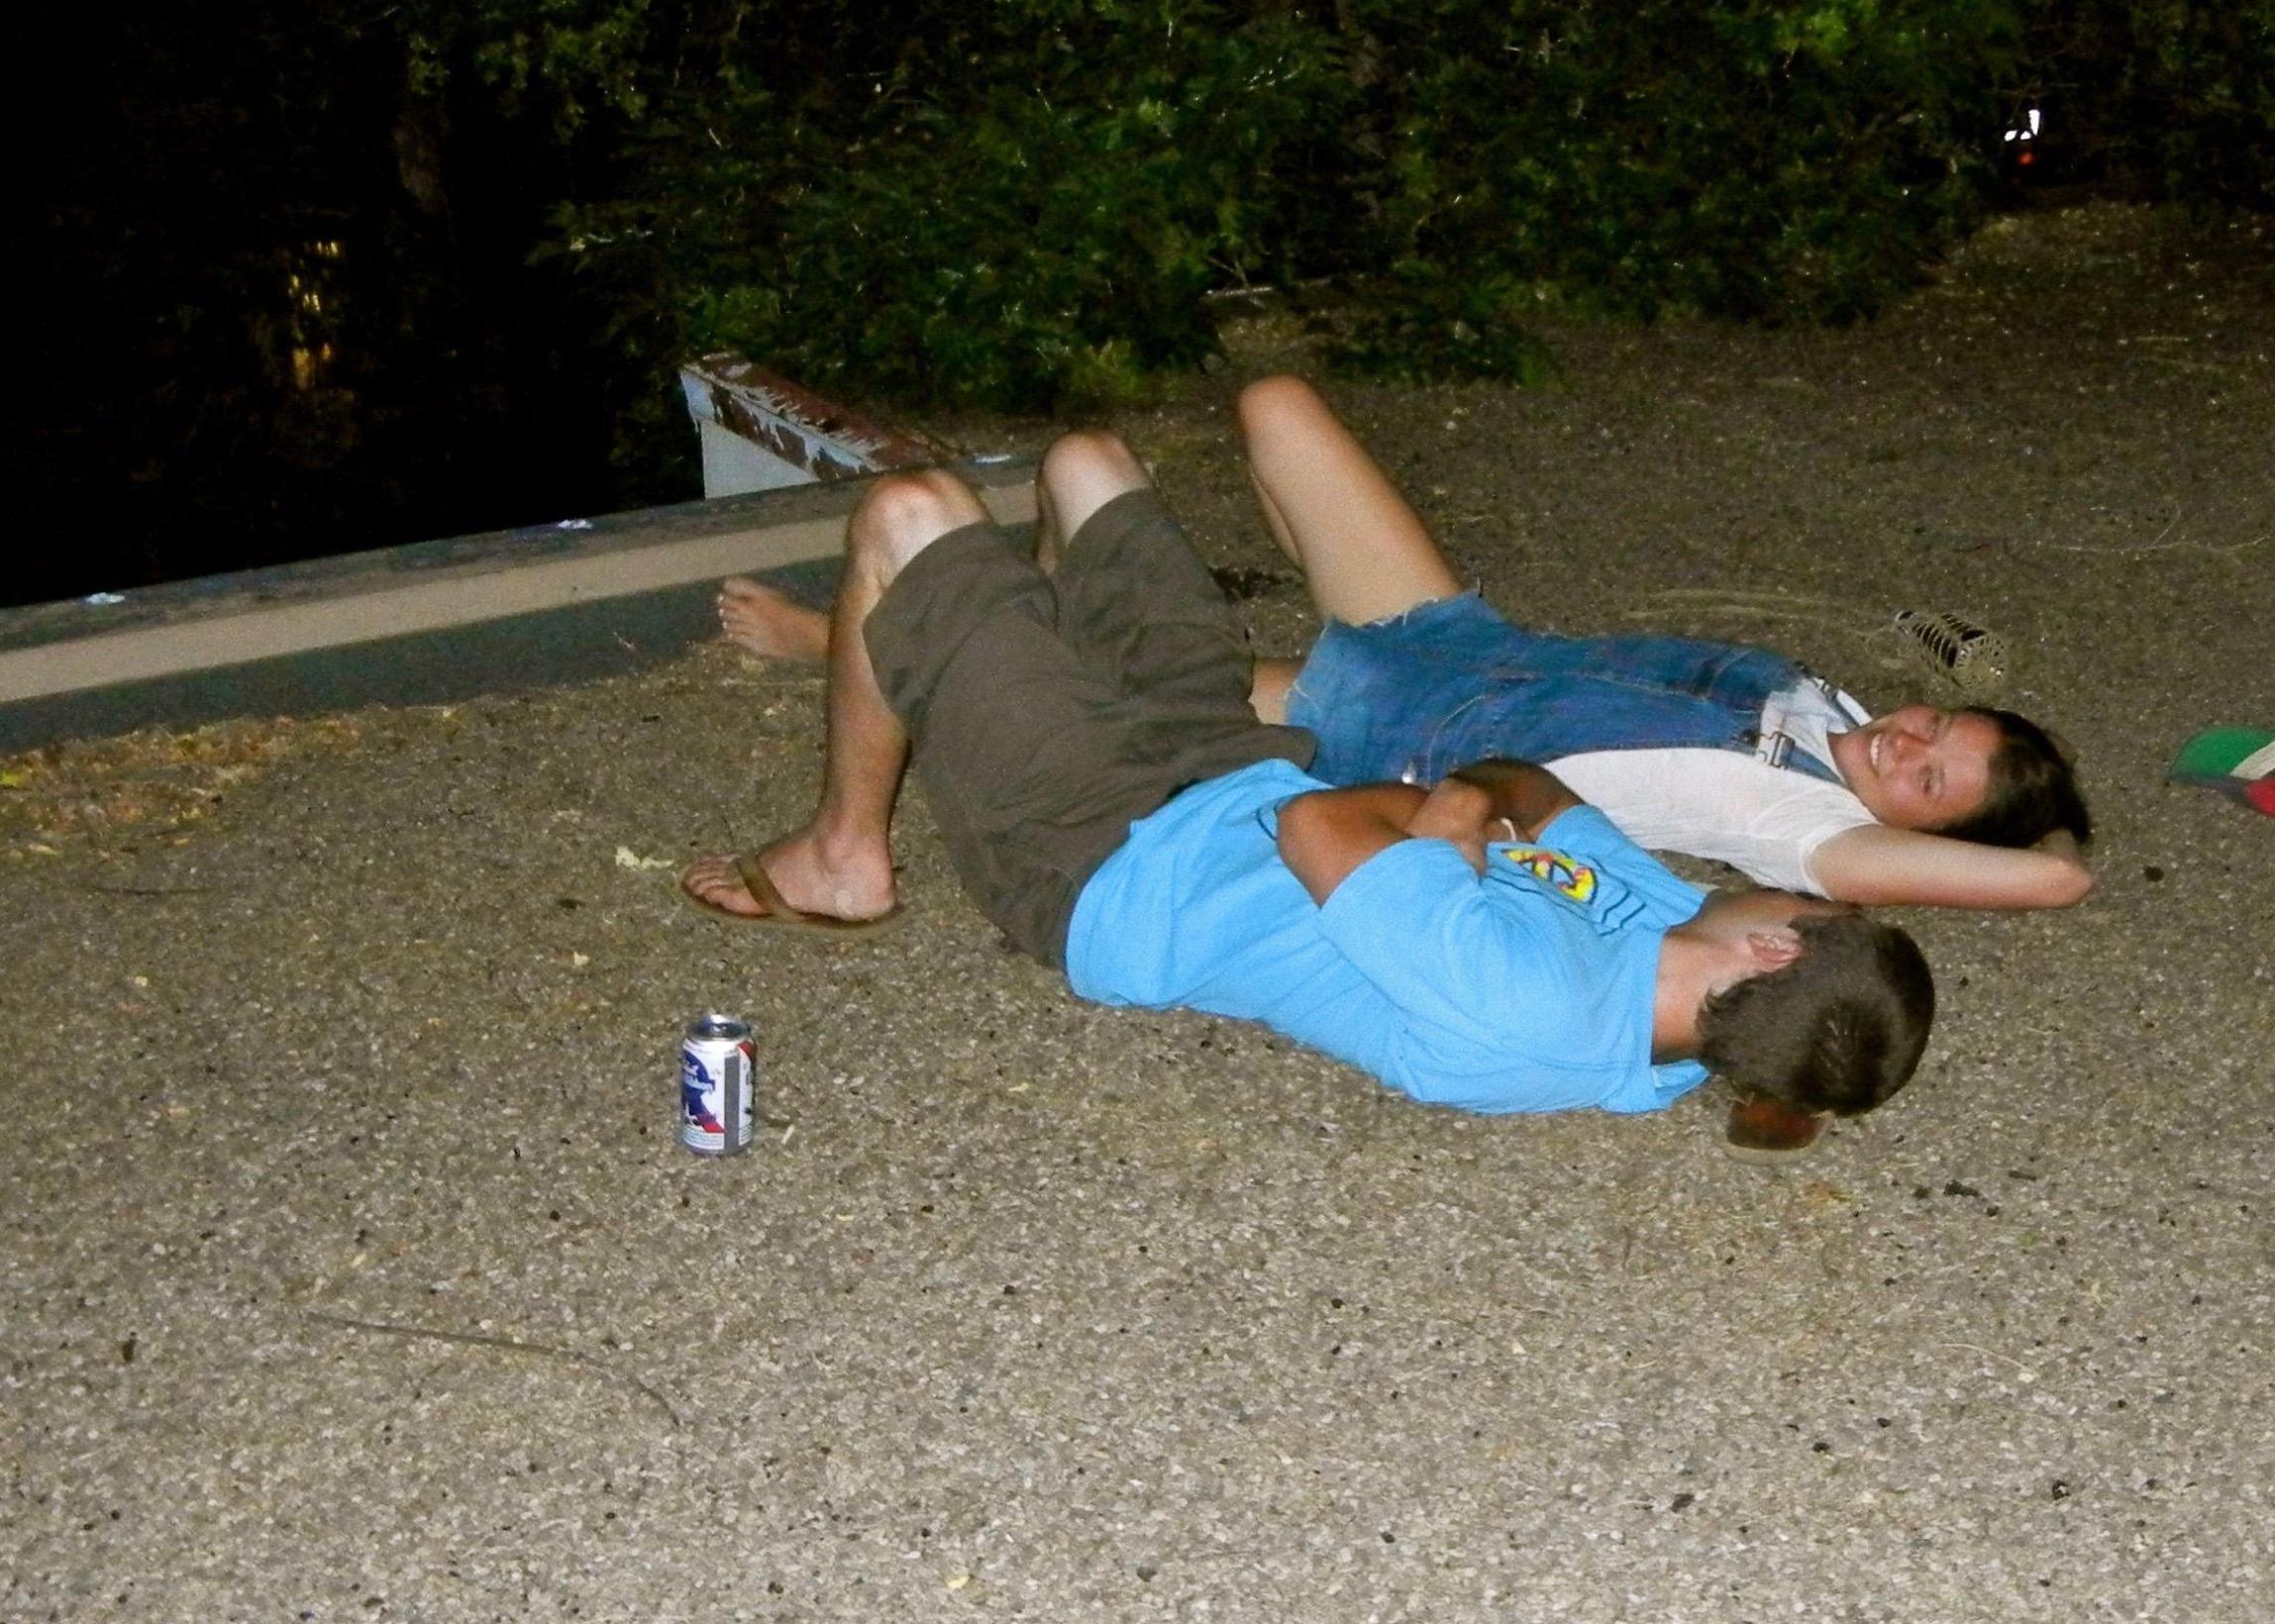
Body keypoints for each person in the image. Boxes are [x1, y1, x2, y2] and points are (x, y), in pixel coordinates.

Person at [681, 433, 1935, 1145]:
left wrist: (1456, 814)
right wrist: (1453, 813)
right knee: (1085, 463)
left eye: (1804, 905)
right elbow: (1515, 779)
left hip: (1110, 868)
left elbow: (1323, 821)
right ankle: (985, 654)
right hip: (1218, 761)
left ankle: (842, 858)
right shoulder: (1666, 928)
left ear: (1773, 948)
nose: (1773, 883)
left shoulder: (1530, 1010)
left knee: (912, 507)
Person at [723, 380, 2094, 915]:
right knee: (1272, 408)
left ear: (1908, 831)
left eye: (1924, 775)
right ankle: (885, 633)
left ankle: (860, 637)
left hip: (1386, 733)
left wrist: (2036, 842)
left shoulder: (1805, 830)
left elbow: (2058, 888)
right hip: (1439, 634)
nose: (1907, 740)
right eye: (1934, 725)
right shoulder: (1839, 710)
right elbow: (1911, 726)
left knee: (1108, 660)